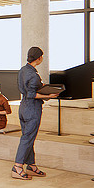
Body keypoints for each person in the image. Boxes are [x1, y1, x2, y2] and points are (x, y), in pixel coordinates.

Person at [13, 47, 58, 180]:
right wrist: (49, 94)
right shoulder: (33, 74)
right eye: (42, 56)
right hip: (32, 109)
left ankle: (31, 165)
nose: (42, 58)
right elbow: (32, 94)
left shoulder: (23, 70)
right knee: (27, 138)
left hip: (23, 108)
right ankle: (17, 166)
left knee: (28, 137)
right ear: (38, 58)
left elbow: (25, 91)